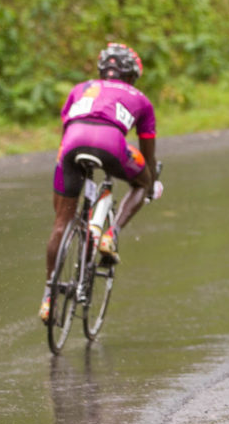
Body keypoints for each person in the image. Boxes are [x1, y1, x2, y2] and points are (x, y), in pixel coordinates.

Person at [41, 43, 159, 321]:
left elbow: (67, 132)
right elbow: (147, 153)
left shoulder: (79, 89)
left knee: (61, 223)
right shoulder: (141, 99)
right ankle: (111, 233)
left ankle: (48, 298)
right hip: (110, 143)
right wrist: (152, 181)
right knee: (142, 183)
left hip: (71, 145)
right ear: (131, 76)